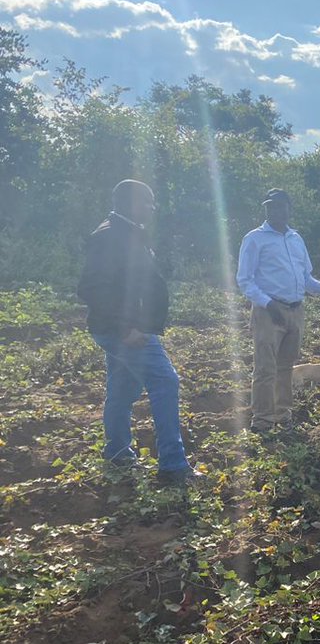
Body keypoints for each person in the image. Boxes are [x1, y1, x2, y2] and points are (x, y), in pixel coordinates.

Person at [77, 179, 195, 483]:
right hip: (123, 330)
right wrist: (125, 328)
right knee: (165, 381)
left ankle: (117, 453)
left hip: (125, 327)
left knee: (122, 388)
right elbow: (92, 288)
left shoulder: (128, 233)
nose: (152, 207)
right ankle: (173, 466)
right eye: (147, 201)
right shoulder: (109, 236)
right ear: (129, 202)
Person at [237, 189, 320, 433]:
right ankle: (262, 420)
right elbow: (245, 280)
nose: (276, 211)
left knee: (285, 366)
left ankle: (282, 415)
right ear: (267, 209)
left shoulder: (295, 239)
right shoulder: (254, 239)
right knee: (265, 367)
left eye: (280, 206)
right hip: (269, 312)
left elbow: (305, 277)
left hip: (295, 309)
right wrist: (268, 303)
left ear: (289, 209)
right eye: (271, 206)